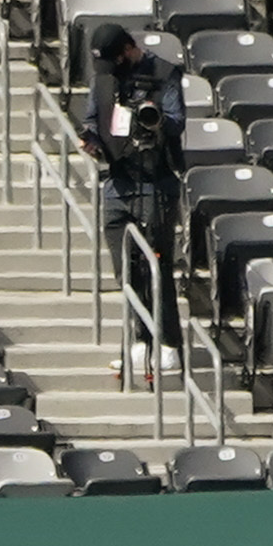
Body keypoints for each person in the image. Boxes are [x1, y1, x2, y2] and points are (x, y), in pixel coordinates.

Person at [89, 25, 188, 388]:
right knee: (126, 272)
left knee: (156, 266)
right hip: (117, 182)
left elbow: (176, 122)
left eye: (116, 59)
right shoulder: (103, 79)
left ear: (129, 49)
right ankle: (140, 340)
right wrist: (91, 141)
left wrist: (154, 120)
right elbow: (91, 119)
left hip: (156, 182)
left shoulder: (164, 74)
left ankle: (168, 343)